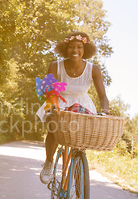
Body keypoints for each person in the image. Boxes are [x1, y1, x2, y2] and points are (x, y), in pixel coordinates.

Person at [36, 31, 110, 183]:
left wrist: (105, 110)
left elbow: (103, 96)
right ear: (65, 48)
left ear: (85, 50)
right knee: (53, 127)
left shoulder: (93, 69)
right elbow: (51, 90)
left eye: (79, 47)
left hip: (82, 104)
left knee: (80, 140)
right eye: (71, 47)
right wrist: (54, 108)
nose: (75, 50)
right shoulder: (55, 66)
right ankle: (49, 162)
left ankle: (77, 179)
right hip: (59, 100)